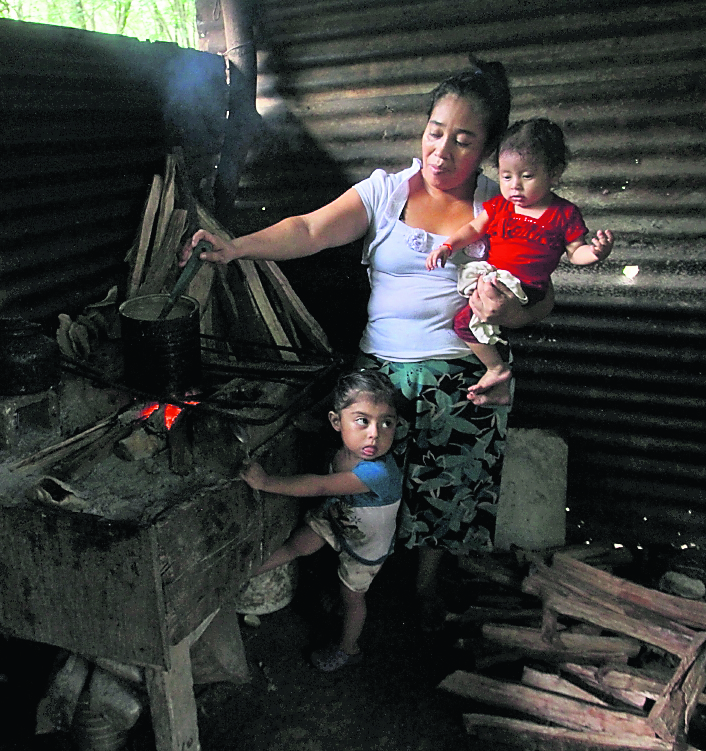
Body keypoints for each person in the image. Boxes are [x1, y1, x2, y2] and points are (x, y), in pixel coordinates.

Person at [183, 56, 553, 632]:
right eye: (435, 131)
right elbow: (308, 229)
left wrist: (515, 311)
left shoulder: (502, 210)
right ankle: (353, 587)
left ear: (487, 148)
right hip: (379, 378)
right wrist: (236, 246)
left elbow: (542, 299)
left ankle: (426, 586)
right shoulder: (384, 192)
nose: (442, 150)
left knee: (446, 497)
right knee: (358, 492)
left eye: (463, 139)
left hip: (462, 379)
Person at [425, 118, 614, 405]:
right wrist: (448, 245)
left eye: (527, 176)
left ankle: (497, 370)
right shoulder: (500, 206)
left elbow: (576, 253)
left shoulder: (564, 214)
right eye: (506, 176)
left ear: (554, 174)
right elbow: (474, 229)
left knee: (470, 318)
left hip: (527, 287)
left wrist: (596, 253)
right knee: (469, 320)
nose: (515, 186)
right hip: (495, 278)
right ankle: (497, 372)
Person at [240, 370, 403, 671]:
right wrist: (306, 424)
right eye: (362, 420)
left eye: (387, 422)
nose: (374, 434)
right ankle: (241, 576)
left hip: (364, 548)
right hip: (338, 515)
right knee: (298, 545)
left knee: (352, 597)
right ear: (336, 422)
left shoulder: (376, 472)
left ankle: (348, 648)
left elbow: (320, 485)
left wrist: (265, 482)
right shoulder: (347, 446)